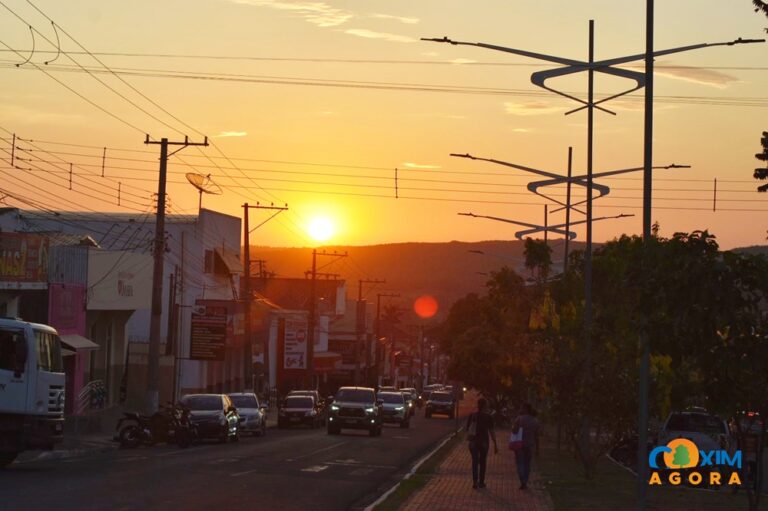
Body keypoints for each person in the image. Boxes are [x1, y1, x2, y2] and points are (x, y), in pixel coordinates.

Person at [466, 397, 498, 489]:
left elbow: (468, 429)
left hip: (473, 442)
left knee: (475, 462)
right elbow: (491, 431)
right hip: (484, 442)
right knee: (483, 462)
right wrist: (495, 444)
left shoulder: (473, 415)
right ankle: (481, 482)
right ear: (484, 406)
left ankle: (475, 482)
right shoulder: (488, 417)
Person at [512, 402, 539, 490]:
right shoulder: (535, 420)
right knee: (527, 464)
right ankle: (525, 481)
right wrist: (537, 448)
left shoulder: (519, 419)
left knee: (520, 463)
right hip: (530, 444)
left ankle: (522, 481)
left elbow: (514, 431)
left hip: (519, 444)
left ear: (525, 409)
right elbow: (537, 435)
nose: (521, 409)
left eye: (522, 408)